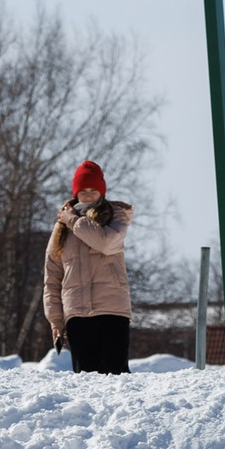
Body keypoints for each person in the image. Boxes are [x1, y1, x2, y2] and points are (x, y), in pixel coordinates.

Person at [43, 160, 134, 375]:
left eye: (94, 190)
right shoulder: (61, 228)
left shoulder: (115, 216)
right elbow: (52, 277)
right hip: (77, 314)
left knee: (117, 376)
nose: (89, 195)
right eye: (83, 190)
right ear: (76, 192)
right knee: (86, 379)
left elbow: (106, 243)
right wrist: (55, 320)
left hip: (112, 309)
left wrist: (74, 221)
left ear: (102, 191)